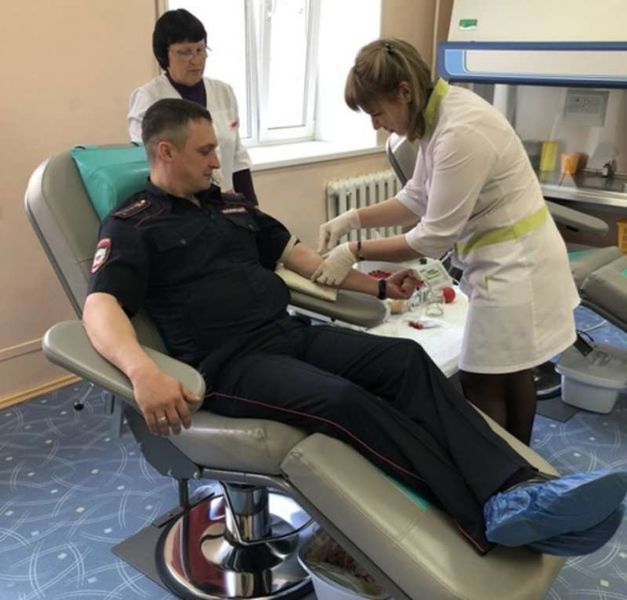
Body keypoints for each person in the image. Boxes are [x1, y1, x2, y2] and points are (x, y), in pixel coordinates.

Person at [82, 98, 626, 559]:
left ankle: (517, 485)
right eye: (205, 151)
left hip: (286, 335)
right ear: (166, 151)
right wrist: (142, 372)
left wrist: (379, 289)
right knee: (344, 401)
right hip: (228, 365)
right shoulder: (134, 224)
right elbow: (100, 306)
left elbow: (303, 259)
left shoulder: (230, 206)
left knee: (406, 361)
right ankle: (481, 517)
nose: (217, 161)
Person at [313, 38, 580, 445]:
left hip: (519, 266)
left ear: (404, 92)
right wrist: (353, 219)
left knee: (482, 380)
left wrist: (354, 251)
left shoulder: (461, 131)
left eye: (377, 112)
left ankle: (502, 471)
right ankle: (520, 468)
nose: (376, 125)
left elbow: (431, 237)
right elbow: (416, 197)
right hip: (508, 260)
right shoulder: (436, 117)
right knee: (511, 372)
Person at [128, 8, 257, 204]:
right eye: (185, 52)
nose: (196, 60)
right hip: (179, 205)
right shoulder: (149, 97)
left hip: (225, 202)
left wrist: (252, 207)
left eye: (200, 50)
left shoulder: (223, 92)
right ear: (164, 55)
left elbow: (237, 157)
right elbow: (148, 164)